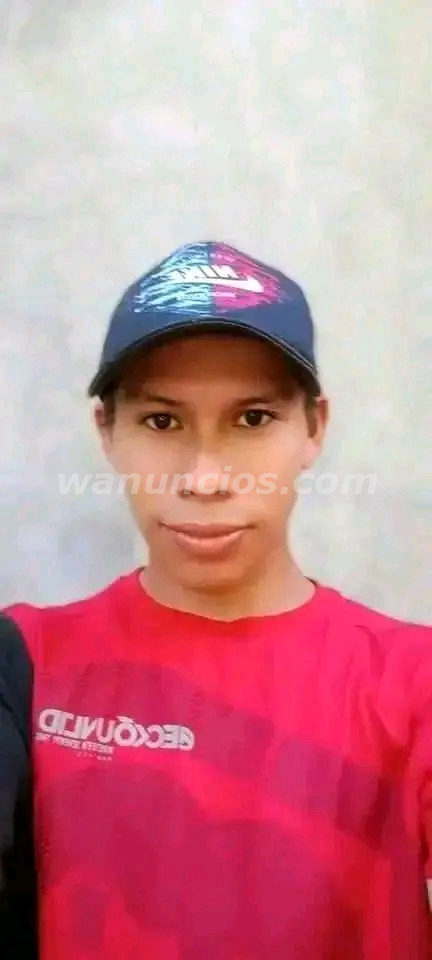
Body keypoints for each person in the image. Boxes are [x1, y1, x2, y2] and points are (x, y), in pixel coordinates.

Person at [1, 241, 431, 959]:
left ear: (314, 428)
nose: (204, 479)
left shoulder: (413, 681)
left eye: (252, 419)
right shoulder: (22, 663)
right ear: (106, 431)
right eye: (162, 422)